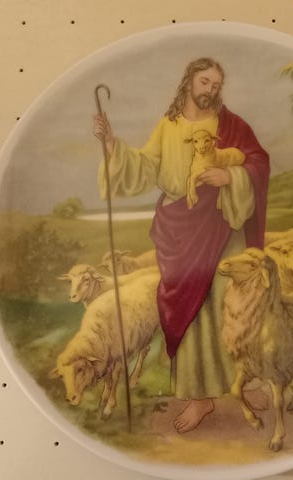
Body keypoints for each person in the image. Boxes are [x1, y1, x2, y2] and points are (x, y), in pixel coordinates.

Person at [93, 57, 270, 433]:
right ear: (189, 81)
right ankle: (199, 397)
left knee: (231, 305)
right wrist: (111, 144)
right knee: (191, 313)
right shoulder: (169, 125)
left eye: (216, 85)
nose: (210, 90)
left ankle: (243, 383)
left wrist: (231, 175)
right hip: (181, 229)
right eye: (205, 82)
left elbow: (258, 163)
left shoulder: (232, 126)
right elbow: (145, 167)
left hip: (223, 223)